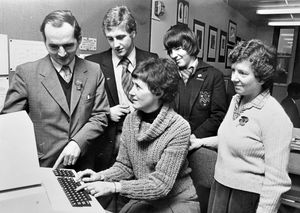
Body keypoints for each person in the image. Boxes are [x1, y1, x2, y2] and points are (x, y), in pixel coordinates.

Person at [76, 58, 200, 213]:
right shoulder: (130, 119)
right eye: (132, 85)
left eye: (138, 87)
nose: (131, 92)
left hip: (177, 202)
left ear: (158, 92)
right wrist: (100, 176)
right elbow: (124, 166)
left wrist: (113, 186)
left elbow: (160, 186)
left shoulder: (179, 128)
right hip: (146, 199)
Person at [190, 39, 293, 213]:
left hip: (246, 197)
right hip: (221, 187)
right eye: (233, 70)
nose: (233, 78)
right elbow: (235, 138)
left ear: (262, 78)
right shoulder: (237, 100)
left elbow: (277, 181)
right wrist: (202, 142)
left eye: (242, 73)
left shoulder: (275, 116)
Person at [1, 10, 110, 171]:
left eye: (68, 45)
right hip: (42, 167)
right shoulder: (26, 73)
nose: (62, 53)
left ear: (79, 40)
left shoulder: (94, 71)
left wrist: (77, 142)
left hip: (83, 167)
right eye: (53, 46)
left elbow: (101, 115)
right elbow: (11, 124)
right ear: (44, 42)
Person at [163, 24, 228, 213]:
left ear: (190, 45)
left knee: (198, 201)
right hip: (172, 146)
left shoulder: (212, 75)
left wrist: (193, 139)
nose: (173, 55)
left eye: (178, 48)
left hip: (198, 145)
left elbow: (218, 115)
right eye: (170, 50)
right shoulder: (169, 75)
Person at [85, 5, 158, 171]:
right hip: (107, 143)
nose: (115, 44)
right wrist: (107, 112)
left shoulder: (151, 60)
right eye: (110, 39)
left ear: (133, 33)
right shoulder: (92, 63)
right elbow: (82, 108)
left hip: (142, 139)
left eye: (120, 37)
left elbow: (159, 101)